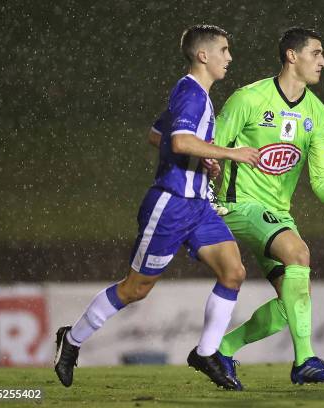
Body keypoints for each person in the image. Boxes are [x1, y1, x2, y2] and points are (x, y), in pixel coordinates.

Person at [54, 24, 259, 391]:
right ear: (203, 55)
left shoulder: (195, 94)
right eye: (224, 50)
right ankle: (71, 341)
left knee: (233, 271)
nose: (229, 57)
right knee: (136, 289)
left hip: (199, 207)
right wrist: (230, 154)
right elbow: (179, 141)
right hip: (171, 205)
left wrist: (205, 161)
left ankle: (207, 353)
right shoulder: (192, 93)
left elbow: (158, 135)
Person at [212, 27, 324, 386]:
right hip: (236, 204)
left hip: (276, 214)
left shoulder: (317, 114)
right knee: (299, 253)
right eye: (316, 53)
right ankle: (305, 361)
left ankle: (220, 348)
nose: (323, 62)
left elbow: (322, 181)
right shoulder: (249, 99)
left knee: (294, 301)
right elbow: (211, 146)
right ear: (292, 56)